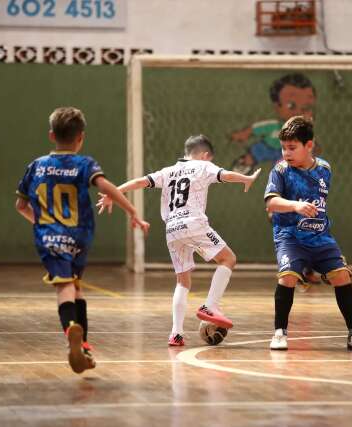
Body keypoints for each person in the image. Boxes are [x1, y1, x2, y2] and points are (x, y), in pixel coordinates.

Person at [15, 107, 149, 374]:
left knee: (63, 288)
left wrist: (42, 223)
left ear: (52, 135)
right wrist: (132, 211)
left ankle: (71, 334)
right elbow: (105, 186)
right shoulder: (84, 164)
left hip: (49, 237)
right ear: (81, 138)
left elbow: (20, 205)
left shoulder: (36, 166)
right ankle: (84, 346)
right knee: (76, 287)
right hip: (80, 236)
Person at [97, 135, 261, 346]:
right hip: (194, 224)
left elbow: (139, 182)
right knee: (228, 259)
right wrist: (245, 179)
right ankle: (210, 305)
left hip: (172, 230)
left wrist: (114, 193)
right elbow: (225, 175)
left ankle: (176, 333)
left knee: (182, 281)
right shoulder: (203, 166)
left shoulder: (167, 171)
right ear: (205, 155)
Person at [263, 116, 352, 351]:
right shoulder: (280, 171)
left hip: (321, 237)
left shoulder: (324, 169)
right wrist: (294, 206)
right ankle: (279, 333)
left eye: (292, 148)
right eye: (283, 148)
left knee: (342, 276)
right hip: (290, 237)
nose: (286, 153)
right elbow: (271, 203)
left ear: (309, 145)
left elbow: (319, 203)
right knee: (288, 278)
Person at [230, 73, 317, 174]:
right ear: (277, 107)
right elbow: (256, 129)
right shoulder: (274, 125)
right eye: (291, 106)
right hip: (267, 146)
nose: (298, 112)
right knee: (254, 153)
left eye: (306, 108)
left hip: (285, 152)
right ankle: (244, 164)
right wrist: (244, 134)